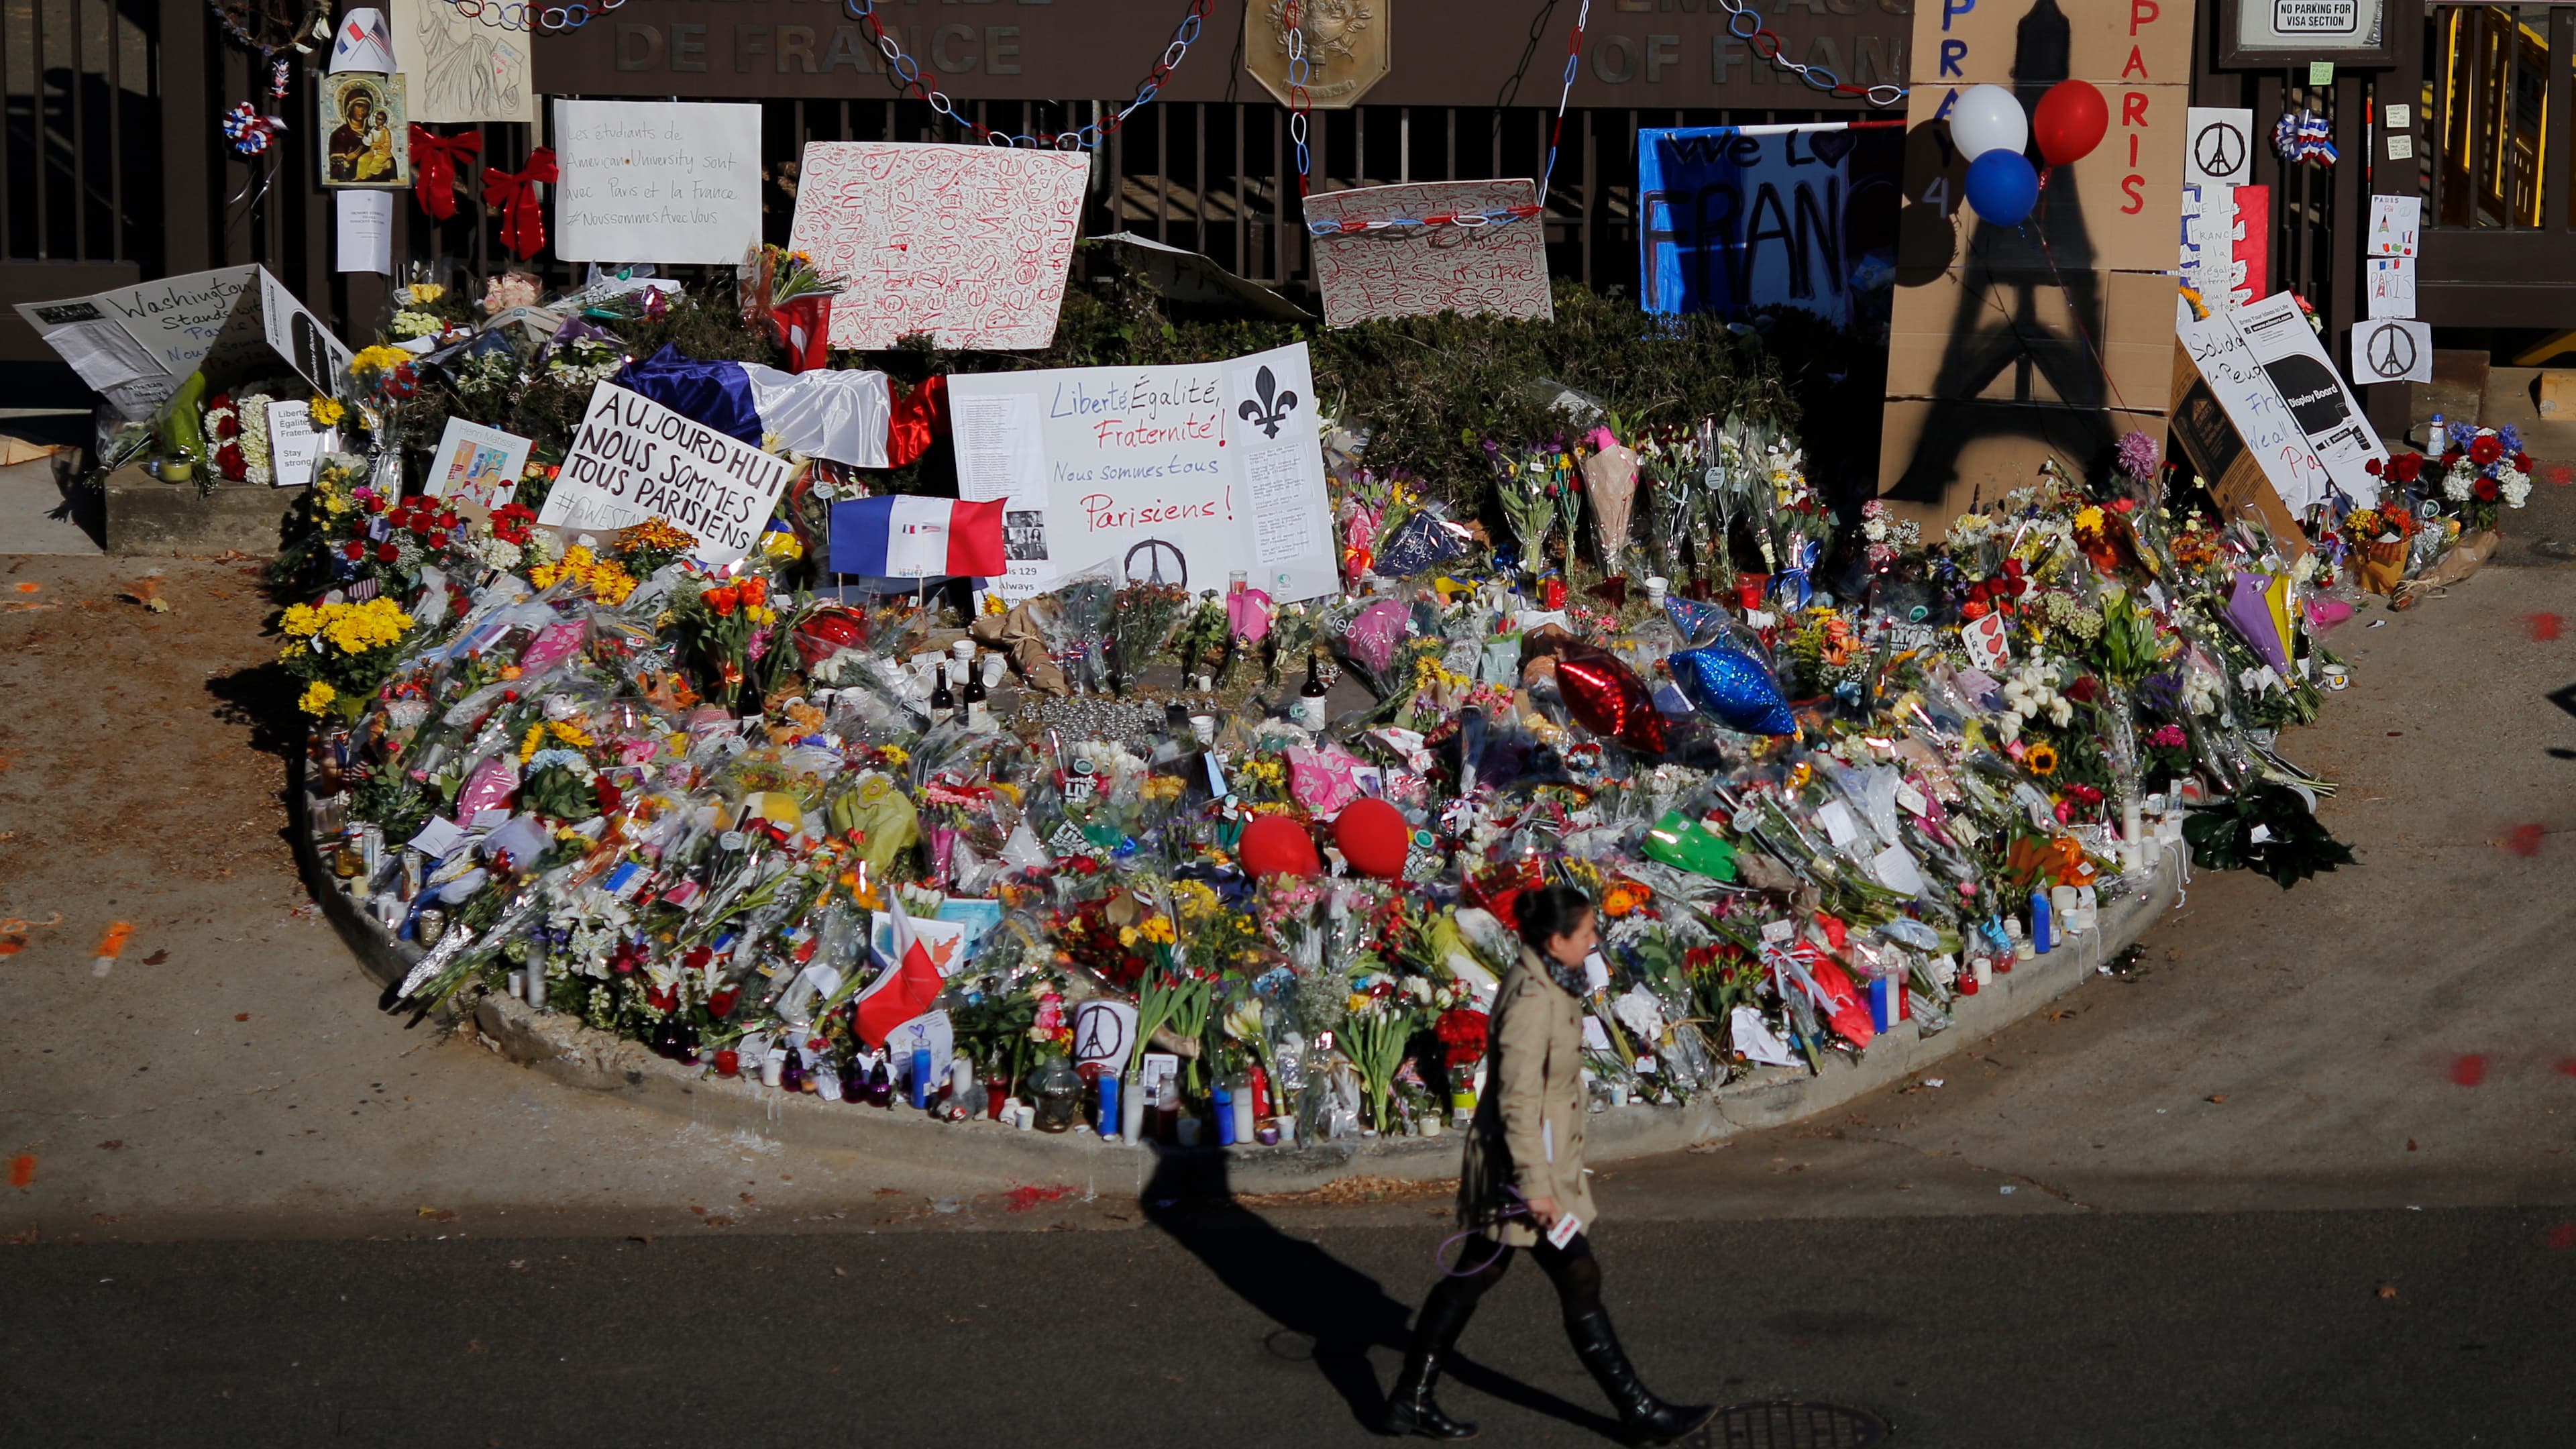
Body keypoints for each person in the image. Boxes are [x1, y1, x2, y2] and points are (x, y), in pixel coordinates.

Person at [1385, 883, 1713, 1444]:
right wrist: (1536, 1186)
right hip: (1523, 1171)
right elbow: (1516, 1099)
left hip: (1535, 1163)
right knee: (1575, 1274)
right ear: (1556, 940)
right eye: (1586, 934)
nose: (1594, 942)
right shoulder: (1533, 1002)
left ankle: (1410, 1399)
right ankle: (1639, 1413)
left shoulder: (1551, 977)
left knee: (1479, 1273)